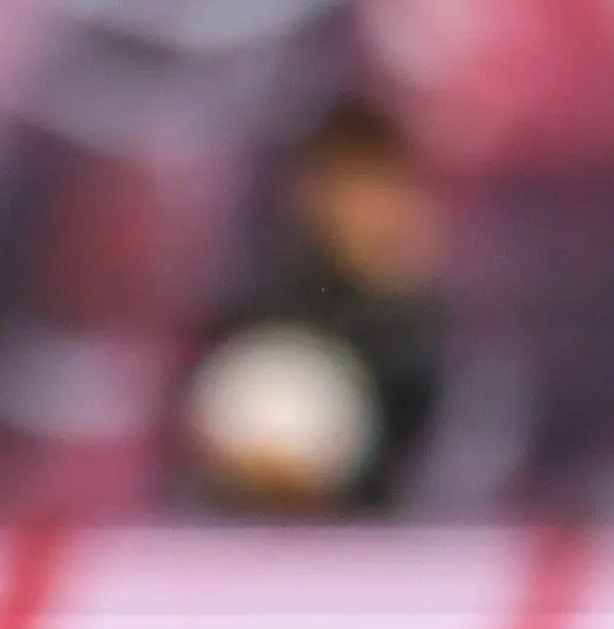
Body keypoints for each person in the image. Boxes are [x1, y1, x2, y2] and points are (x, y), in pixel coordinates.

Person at [183, 98, 448, 515]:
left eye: (377, 186)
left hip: (396, 551)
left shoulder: (439, 318)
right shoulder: (266, 312)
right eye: (347, 187)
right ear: (311, 196)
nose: (364, 209)